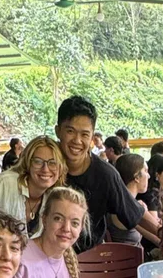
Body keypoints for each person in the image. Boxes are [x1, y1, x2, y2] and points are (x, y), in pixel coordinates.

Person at [54, 96, 143, 251]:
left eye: (84, 134)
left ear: (92, 138)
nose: (77, 140)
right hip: (46, 259)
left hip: (90, 263)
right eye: (70, 131)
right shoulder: (46, 167)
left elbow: (133, 215)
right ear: (58, 131)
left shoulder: (105, 175)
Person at [14, 186, 88, 278]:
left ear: (81, 228)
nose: (66, 228)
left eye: (74, 223)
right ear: (44, 219)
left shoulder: (69, 260)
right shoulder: (20, 258)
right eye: (58, 218)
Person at [116, 153, 161, 253]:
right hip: (130, 264)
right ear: (136, 177)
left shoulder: (121, 202)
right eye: (145, 171)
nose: (149, 176)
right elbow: (159, 237)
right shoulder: (129, 208)